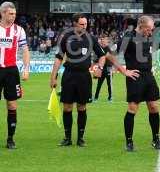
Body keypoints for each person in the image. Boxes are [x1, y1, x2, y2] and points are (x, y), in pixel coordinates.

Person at [50, 13, 138, 147]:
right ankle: (67, 138)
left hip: (84, 76)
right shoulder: (66, 38)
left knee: (82, 107)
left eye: (86, 24)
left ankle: (80, 138)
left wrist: (99, 67)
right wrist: (53, 77)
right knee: (67, 107)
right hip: (68, 75)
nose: (84, 26)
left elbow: (102, 56)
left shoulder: (91, 38)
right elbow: (58, 58)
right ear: (74, 23)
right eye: (81, 24)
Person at [119, 15, 160, 152]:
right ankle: (129, 142)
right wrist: (124, 71)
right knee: (132, 108)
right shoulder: (128, 36)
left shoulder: (147, 37)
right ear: (141, 25)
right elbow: (111, 55)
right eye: (149, 29)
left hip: (148, 76)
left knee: (154, 107)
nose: (151, 32)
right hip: (135, 76)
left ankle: (156, 139)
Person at [0, 1, 30, 149]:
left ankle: (10, 139)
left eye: (15, 14)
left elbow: (25, 50)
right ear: (3, 13)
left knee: (12, 104)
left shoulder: (19, 30)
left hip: (11, 71)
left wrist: (26, 68)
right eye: (11, 14)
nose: (13, 17)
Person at [93, 34, 114, 103]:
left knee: (109, 84)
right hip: (102, 68)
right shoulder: (100, 49)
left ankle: (110, 97)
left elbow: (109, 59)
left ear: (106, 40)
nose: (102, 40)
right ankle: (96, 98)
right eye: (101, 39)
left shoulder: (108, 49)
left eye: (103, 39)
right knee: (99, 84)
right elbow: (99, 58)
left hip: (108, 68)